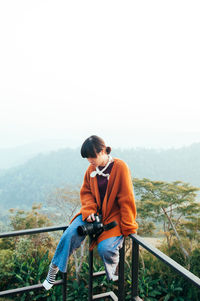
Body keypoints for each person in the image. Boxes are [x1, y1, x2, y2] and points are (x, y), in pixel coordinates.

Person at [43, 135, 138, 290]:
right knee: (69, 234)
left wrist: (128, 226)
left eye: (92, 157)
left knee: (106, 248)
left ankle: (114, 275)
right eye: (87, 158)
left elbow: (126, 198)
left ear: (102, 151)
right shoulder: (90, 169)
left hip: (112, 216)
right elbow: (86, 193)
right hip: (91, 213)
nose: (89, 161)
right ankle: (53, 269)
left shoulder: (120, 167)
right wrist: (89, 210)